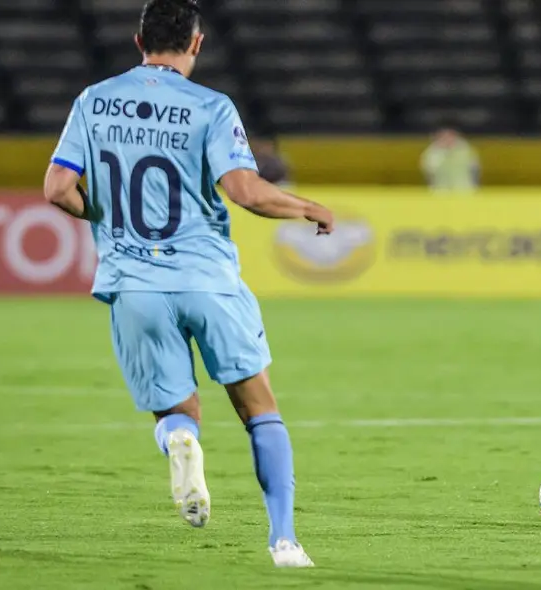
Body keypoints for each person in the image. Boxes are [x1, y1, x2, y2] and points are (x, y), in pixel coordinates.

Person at [41, 0, 333, 567]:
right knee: (260, 409)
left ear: (138, 42)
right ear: (196, 43)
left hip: (135, 284)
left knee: (177, 412)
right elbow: (245, 192)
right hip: (207, 278)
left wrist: (101, 214)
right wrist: (307, 207)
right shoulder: (210, 106)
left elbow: (56, 189)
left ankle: (180, 440)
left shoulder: (93, 100)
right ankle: (284, 540)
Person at [420, 127, 481, 193]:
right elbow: (429, 171)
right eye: (443, 137)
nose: (447, 139)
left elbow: (475, 169)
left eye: (450, 136)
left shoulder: (465, 149)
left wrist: (475, 186)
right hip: (441, 191)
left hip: (464, 190)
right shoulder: (432, 152)